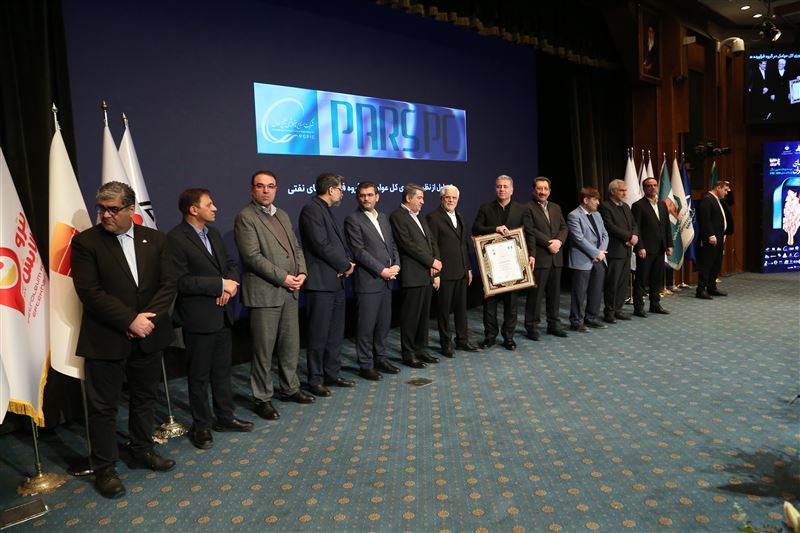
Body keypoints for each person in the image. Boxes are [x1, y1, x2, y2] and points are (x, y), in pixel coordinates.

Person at [71, 181, 177, 499]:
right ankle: (105, 469)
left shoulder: (155, 239)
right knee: (103, 408)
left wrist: (146, 321)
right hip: (106, 337)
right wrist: (130, 320)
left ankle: (141, 450)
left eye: (113, 209)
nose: (105, 215)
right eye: (101, 209)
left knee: (145, 397)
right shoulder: (86, 242)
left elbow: (168, 284)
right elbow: (89, 292)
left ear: (131, 209)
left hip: (148, 335)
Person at [167, 188, 253, 451]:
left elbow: (231, 265)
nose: (215, 208)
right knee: (199, 376)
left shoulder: (213, 233)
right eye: (209, 204)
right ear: (193, 209)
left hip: (223, 316)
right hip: (198, 319)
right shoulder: (175, 238)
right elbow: (181, 281)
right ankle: (201, 425)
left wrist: (230, 286)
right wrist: (219, 285)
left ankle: (225, 417)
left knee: (222, 372)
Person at [234, 170, 315, 422]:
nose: (266, 190)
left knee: (290, 346)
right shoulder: (245, 217)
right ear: (252, 190)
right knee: (264, 350)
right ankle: (262, 398)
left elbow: (296, 248)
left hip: (290, 291)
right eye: (260, 186)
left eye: (270, 186)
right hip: (265, 293)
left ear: (276, 189)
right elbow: (252, 257)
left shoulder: (283, 214)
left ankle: (290, 388)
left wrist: (302, 272)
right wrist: (284, 278)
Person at [298, 173, 357, 396]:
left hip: (335, 281)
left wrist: (347, 261)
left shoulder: (326, 210)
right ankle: (315, 379)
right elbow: (321, 245)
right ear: (331, 190)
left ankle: (332, 373)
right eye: (341, 189)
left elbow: (336, 244)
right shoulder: (311, 210)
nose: (342, 193)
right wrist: (345, 264)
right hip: (321, 283)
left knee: (335, 333)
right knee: (318, 334)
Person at [344, 181, 402, 380]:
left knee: (383, 324)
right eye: (362, 195)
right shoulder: (352, 220)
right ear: (357, 198)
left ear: (377, 196)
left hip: (387, 280)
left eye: (370, 195)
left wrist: (397, 265)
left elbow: (392, 245)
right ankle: (366, 364)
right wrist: (382, 270)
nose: (366, 198)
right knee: (366, 327)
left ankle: (381, 358)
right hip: (368, 282)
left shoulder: (384, 218)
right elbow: (359, 251)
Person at [472, 175, 536, 350]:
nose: (502, 189)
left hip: (513, 264)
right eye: (499, 186)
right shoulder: (485, 208)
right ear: (495, 188)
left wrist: (532, 255)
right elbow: (476, 229)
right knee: (489, 303)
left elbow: (530, 233)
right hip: (491, 265)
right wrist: (495, 229)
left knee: (511, 303)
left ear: (512, 190)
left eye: (505, 186)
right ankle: (490, 336)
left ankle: (509, 337)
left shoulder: (522, 209)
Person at [390, 183, 442, 368]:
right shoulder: (397, 216)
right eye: (419, 198)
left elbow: (431, 241)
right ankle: (409, 353)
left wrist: (436, 261)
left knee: (423, 316)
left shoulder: (419, 216)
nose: (422, 202)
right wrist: (431, 261)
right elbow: (407, 245)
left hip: (426, 274)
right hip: (412, 275)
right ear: (408, 198)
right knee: (411, 317)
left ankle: (422, 349)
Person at [426, 185, 478, 357]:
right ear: (441, 199)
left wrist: (468, 267)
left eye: (454, 198)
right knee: (444, 311)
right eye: (447, 197)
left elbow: (463, 245)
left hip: (461, 271)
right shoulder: (433, 217)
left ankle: (462, 340)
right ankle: (445, 344)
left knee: (461, 310)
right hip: (445, 273)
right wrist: (436, 273)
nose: (451, 200)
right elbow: (432, 247)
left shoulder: (460, 216)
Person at [523, 177, 569, 340]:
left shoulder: (556, 207)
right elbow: (530, 230)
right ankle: (531, 326)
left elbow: (564, 227)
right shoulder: (526, 208)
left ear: (549, 191)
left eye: (545, 189)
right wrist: (549, 243)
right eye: (539, 188)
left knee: (554, 295)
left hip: (556, 257)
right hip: (540, 258)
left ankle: (553, 324)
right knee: (535, 296)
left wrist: (559, 241)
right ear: (533, 190)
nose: (542, 192)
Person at [566, 187, 609, 332]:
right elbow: (578, 239)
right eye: (595, 199)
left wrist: (601, 252)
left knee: (596, 290)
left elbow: (605, 234)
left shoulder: (597, 214)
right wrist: (596, 253)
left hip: (599, 258)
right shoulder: (574, 215)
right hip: (582, 260)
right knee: (579, 293)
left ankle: (591, 318)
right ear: (585, 200)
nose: (598, 202)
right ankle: (576, 321)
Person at [631, 177, 673, 316]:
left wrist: (669, 244)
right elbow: (636, 228)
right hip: (645, 249)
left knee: (657, 278)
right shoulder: (638, 205)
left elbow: (666, 226)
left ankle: (655, 304)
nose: (653, 188)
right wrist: (640, 247)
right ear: (644, 188)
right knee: (641, 279)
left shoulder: (662, 204)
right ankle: (638, 308)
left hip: (660, 248)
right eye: (649, 186)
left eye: (655, 185)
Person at [598, 179, 638, 324]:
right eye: (621, 190)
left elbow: (633, 224)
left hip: (626, 250)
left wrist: (634, 236)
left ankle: (618, 310)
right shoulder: (604, 206)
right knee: (612, 283)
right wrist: (628, 237)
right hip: (615, 251)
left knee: (622, 283)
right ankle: (609, 312)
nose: (624, 193)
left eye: (625, 190)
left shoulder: (626, 206)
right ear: (612, 191)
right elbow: (609, 226)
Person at [695, 180, 732, 299]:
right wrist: (710, 234)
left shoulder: (717, 200)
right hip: (711, 238)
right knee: (707, 263)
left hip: (719, 236)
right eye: (725, 190)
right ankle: (701, 289)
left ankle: (712, 287)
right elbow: (705, 219)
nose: (727, 192)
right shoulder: (707, 199)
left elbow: (731, 201)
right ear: (718, 188)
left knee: (716, 263)